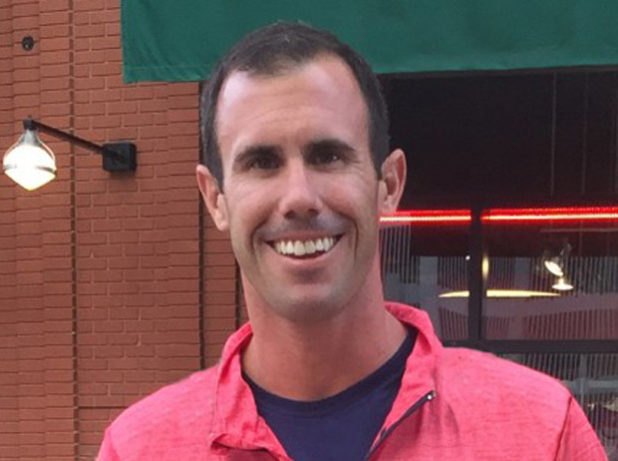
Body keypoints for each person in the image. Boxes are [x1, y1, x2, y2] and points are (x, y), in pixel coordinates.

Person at [97, 22, 607, 460]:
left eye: (329, 156)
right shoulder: (140, 448)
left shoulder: (542, 430)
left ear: (389, 184)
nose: (299, 197)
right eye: (262, 163)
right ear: (216, 200)